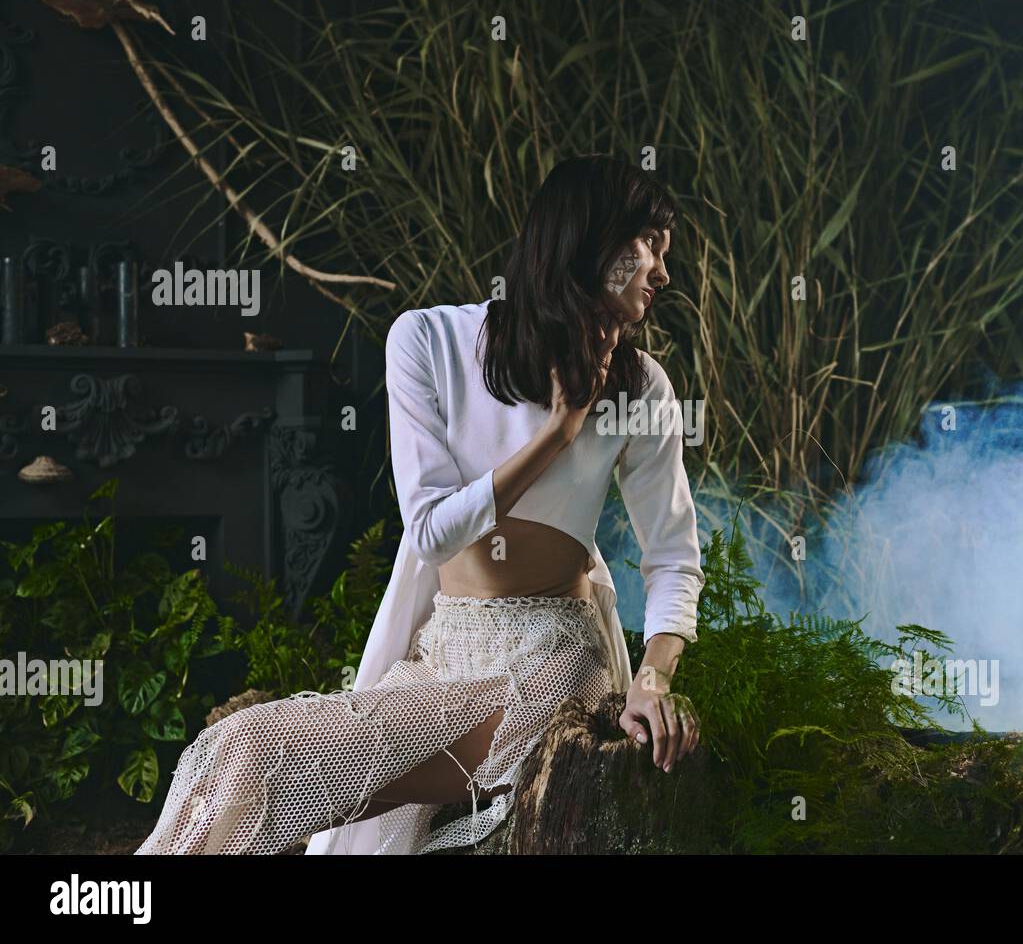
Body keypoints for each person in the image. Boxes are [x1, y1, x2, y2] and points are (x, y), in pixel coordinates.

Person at [134, 154, 706, 855]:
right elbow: (432, 530)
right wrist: (558, 432)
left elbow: (673, 557)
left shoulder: (641, 386)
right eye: (650, 245)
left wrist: (652, 679)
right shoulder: (428, 340)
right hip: (443, 652)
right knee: (237, 752)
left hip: (555, 666)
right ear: (590, 239)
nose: (662, 272)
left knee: (255, 757)